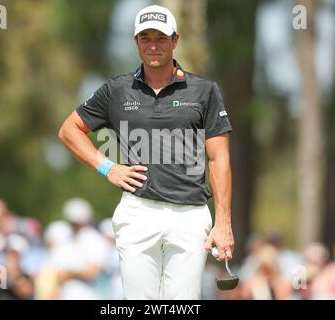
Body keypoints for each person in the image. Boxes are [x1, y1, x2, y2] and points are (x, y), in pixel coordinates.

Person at [58, 4, 234, 300]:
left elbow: (219, 159)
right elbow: (69, 131)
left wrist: (224, 222)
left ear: (175, 40)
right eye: (145, 38)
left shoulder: (204, 90)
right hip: (138, 212)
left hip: (190, 215)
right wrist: (108, 168)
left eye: (161, 38)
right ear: (137, 41)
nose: (153, 45)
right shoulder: (116, 90)